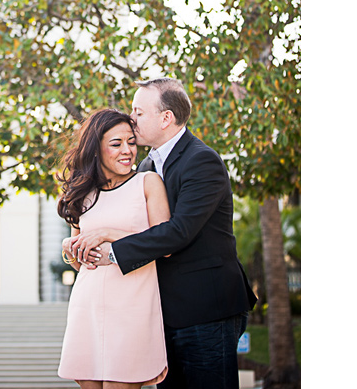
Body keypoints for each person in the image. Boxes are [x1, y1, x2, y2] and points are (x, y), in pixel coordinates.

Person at [70, 78, 257, 389]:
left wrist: (110, 249)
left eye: (138, 112)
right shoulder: (145, 166)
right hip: (162, 311)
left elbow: (179, 231)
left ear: (166, 117)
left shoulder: (202, 160)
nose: (131, 119)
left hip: (206, 309)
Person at [56, 108, 171, 389]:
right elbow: (79, 261)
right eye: (116, 144)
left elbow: (164, 242)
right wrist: (70, 249)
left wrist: (108, 234)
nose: (128, 151)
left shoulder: (148, 182)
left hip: (133, 306)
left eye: (131, 142)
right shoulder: (82, 192)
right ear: (96, 149)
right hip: (88, 302)